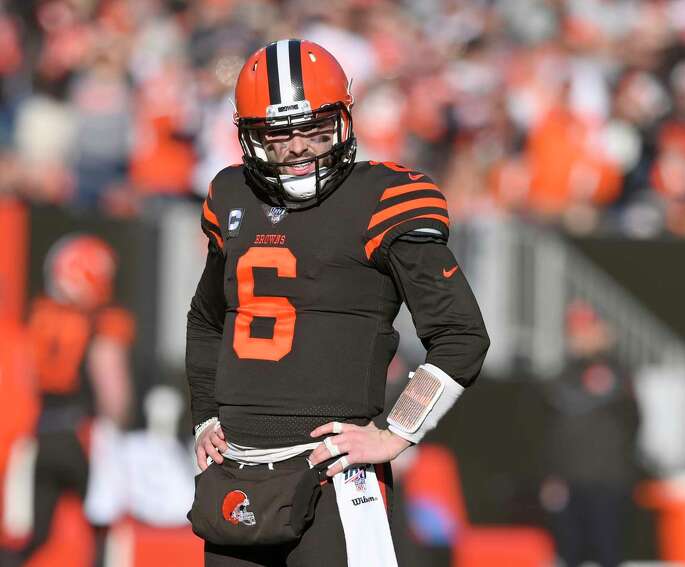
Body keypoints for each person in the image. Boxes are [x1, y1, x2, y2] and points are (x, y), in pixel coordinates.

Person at [186, 39, 489, 567]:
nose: (299, 147)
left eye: (315, 129)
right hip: (237, 470)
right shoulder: (231, 195)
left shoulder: (385, 196)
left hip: (334, 474)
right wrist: (206, 416)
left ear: (344, 120)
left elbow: (461, 336)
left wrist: (396, 432)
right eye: (278, 134)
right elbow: (208, 319)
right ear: (249, 136)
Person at [8, 234, 134, 566]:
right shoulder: (100, 320)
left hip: (41, 435)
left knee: (32, 535)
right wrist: (121, 427)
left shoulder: (36, 314)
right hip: (82, 436)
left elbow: (22, 378)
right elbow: (113, 393)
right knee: (103, 528)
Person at [540, 300, 640, 567]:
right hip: (569, 481)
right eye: (574, 331)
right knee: (569, 553)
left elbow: (633, 421)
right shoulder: (563, 375)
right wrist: (552, 477)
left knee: (609, 551)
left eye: (586, 329)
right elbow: (552, 431)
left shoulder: (618, 371)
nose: (580, 337)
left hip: (608, 480)